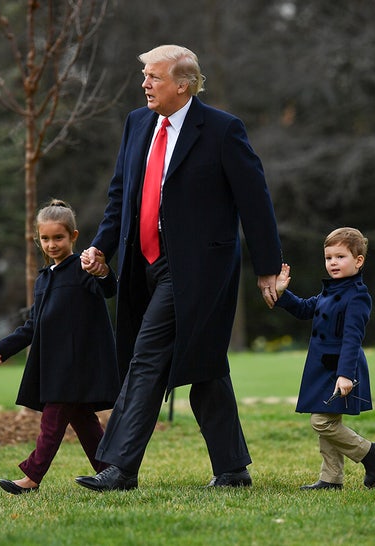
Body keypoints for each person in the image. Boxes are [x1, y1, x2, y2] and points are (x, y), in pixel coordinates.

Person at [76, 44, 282, 491]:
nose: (145, 84)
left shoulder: (223, 130)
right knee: (204, 363)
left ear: (183, 84)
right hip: (140, 264)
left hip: (197, 271)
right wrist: (101, 248)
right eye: (145, 76)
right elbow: (121, 196)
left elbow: (255, 200)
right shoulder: (136, 124)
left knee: (146, 357)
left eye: (154, 77)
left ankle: (119, 467)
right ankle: (232, 470)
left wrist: (268, 267)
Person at [0, 199, 121, 495]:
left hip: (78, 365)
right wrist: (4, 347)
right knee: (83, 420)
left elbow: (109, 289)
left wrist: (103, 271)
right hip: (54, 365)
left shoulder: (83, 270)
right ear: (38, 239)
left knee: (52, 421)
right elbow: (33, 325)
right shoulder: (44, 279)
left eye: (58, 237)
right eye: (45, 238)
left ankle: (32, 477)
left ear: (73, 236)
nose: (52, 244)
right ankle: (112, 472)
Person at [273, 227, 375, 490]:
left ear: (358, 261)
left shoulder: (357, 295)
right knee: (329, 419)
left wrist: (346, 374)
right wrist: (282, 293)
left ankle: (371, 452)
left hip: (340, 368)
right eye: (329, 258)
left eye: (340, 257)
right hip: (322, 367)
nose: (333, 263)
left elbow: (352, 338)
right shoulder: (330, 291)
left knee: (321, 421)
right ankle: (331, 478)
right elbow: (304, 309)